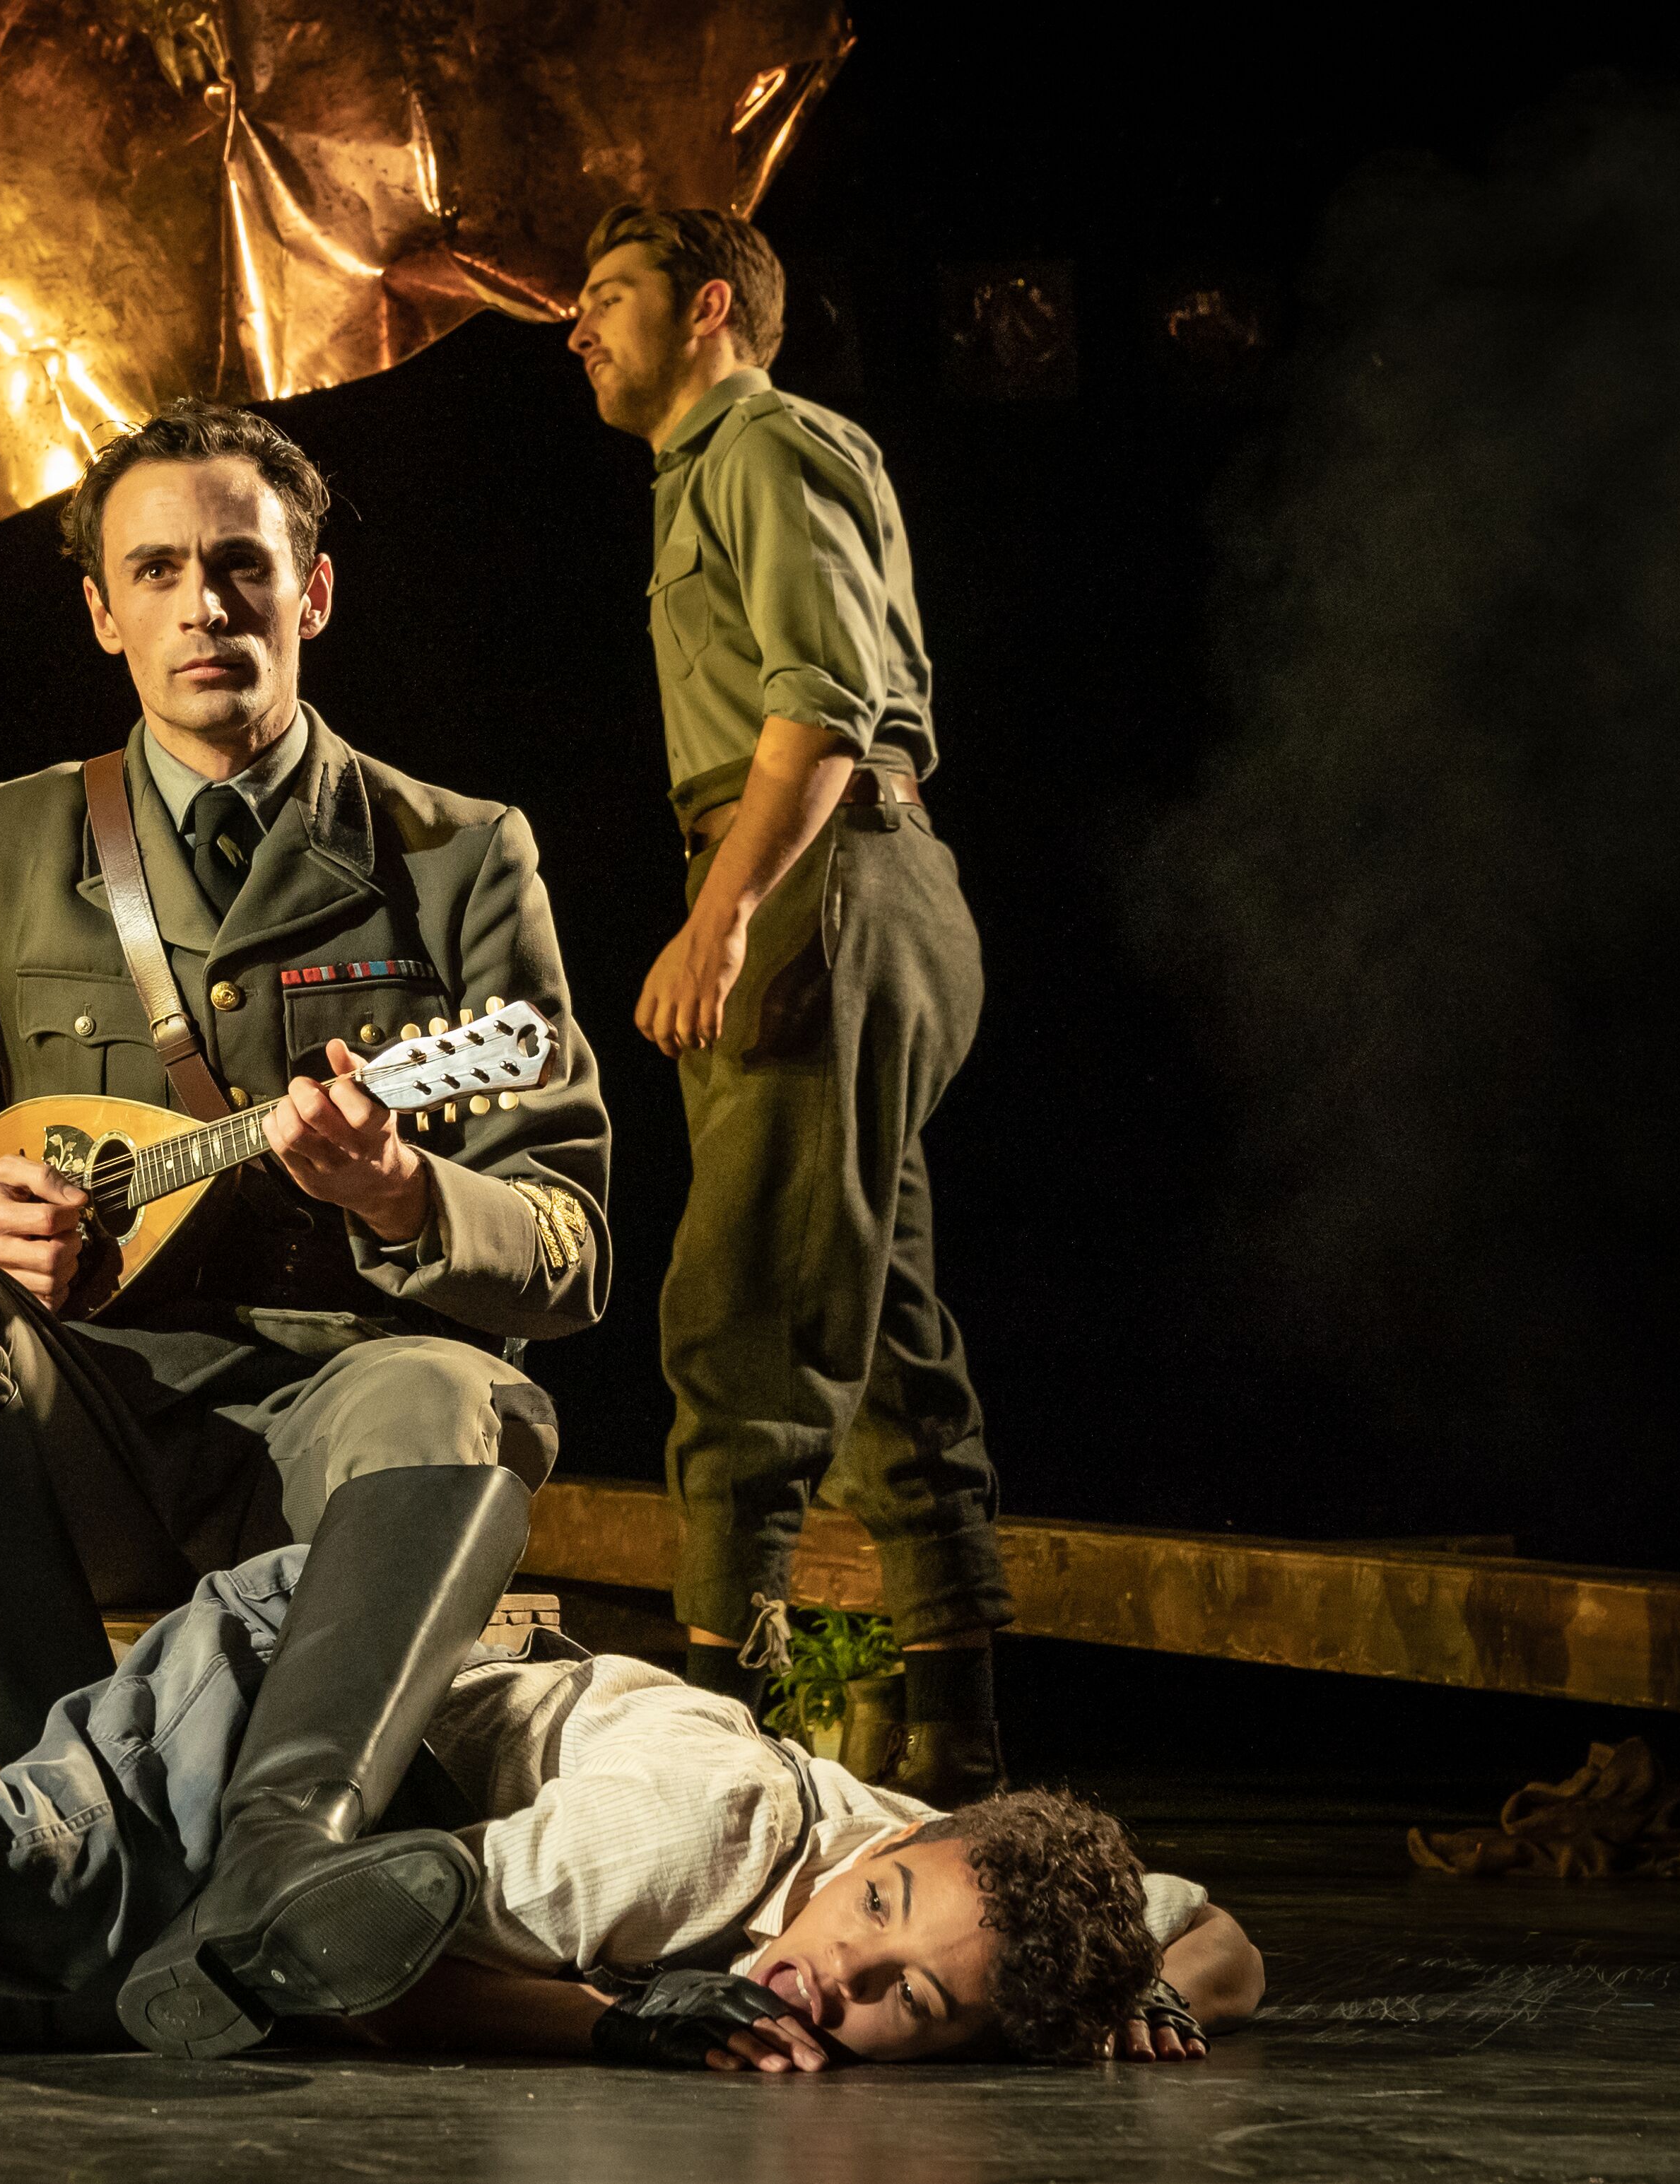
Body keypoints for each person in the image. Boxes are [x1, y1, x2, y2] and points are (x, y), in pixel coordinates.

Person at [0, 399, 613, 2053]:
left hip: (337, 1449)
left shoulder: (459, 854)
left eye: (239, 566)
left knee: (453, 1392)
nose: (204, 604)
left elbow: (566, 1245)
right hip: (91, 1436)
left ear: (313, 593)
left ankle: (278, 1856)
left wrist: (409, 1193)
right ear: (100, 613)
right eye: (157, 572)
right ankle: (97, 1822)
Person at [0, 1536, 1264, 2082]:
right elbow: (352, 1971)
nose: (839, 1975)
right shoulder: (683, 1839)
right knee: (46, 1858)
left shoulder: (986, 1870)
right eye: (872, 1928)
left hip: (371, 1784)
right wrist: (621, 2027)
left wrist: (1150, 1994)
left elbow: (1209, 1923)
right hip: (312, 1696)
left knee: (59, 1989)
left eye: (904, 2001)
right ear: (873, 1856)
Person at [570, 206, 1008, 1803]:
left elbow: (822, 703)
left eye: (605, 297)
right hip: (842, 880)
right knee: (875, 1312)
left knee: (744, 1303)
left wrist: (723, 912)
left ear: (707, 311)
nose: (575, 329)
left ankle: (711, 1748)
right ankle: (951, 1715)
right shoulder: (709, 471)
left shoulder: (759, 447)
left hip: (826, 877)